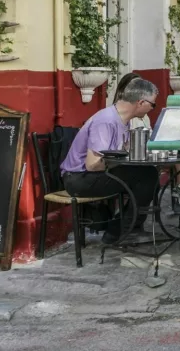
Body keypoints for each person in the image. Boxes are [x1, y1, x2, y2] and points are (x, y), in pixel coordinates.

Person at [60, 78, 160, 244]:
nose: (152, 108)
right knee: (147, 177)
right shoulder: (106, 121)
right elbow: (93, 165)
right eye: (152, 104)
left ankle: (120, 230)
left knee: (148, 174)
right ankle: (123, 231)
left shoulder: (122, 120)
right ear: (141, 102)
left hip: (90, 175)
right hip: (79, 178)